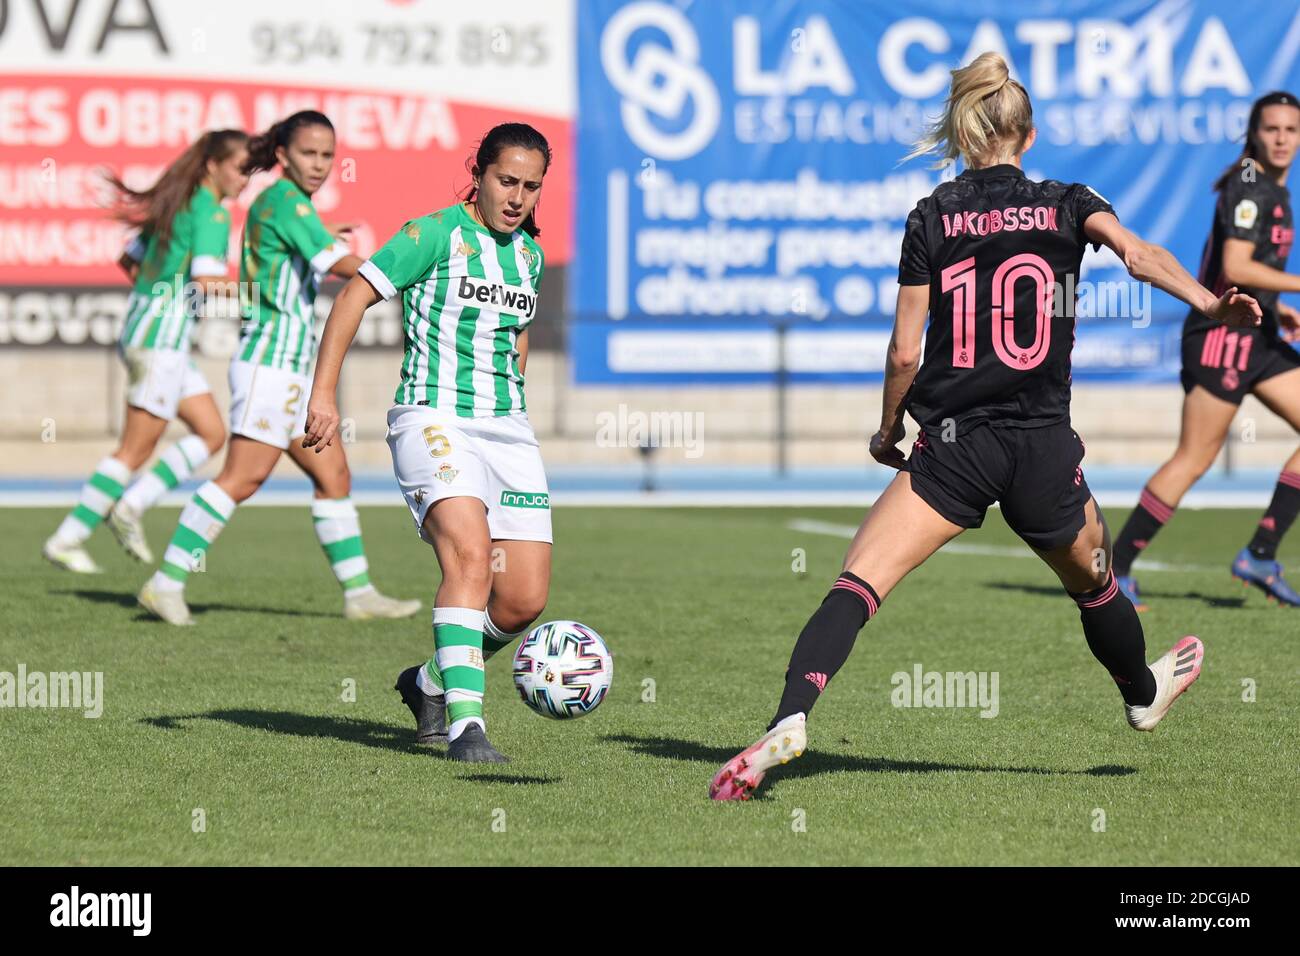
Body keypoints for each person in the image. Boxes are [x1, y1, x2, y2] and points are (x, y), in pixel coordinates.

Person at [709, 53, 1262, 801]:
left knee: (856, 584)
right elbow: (1138, 255)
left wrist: (886, 429)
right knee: (1095, 587)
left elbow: (905, 350)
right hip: (1041, 448)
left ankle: (791, 716)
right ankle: (1140, 690)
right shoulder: (1070, 201)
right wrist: (1209, 303)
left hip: (955, 447)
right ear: (1027, 136)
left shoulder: (932, 214)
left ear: (968, 138)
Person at [303, 123, 553, 763]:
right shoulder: (433, 234)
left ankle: (429, 682)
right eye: (506, 181)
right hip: (432, 418)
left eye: (530, 186)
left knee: (523, 598)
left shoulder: (528, 254)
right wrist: (323, 394)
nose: (517, 196)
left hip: (507, 430)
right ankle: (468, 727)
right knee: (469, 558)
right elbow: (355, 293)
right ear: (479, 173)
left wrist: (514, 391)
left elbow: (517, 331)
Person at [137, 111, 420, 626]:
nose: (319, 164)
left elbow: (301, 247)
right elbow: (337, 263)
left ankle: (359, 595)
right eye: (309, 154)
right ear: (285, 155)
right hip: (269, 365)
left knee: (333, 475)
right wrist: (410, 272)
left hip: (291, 371)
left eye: (328, 155)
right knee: (242, 478)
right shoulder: (284, 198)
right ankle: (166, 581)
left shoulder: (291, 206)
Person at [1113, 92, 1300, 609]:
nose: (1282, 139)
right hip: (1221, 338)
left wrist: (1277, 304)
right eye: (1273, 129)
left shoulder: (1274, 191)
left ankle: (1260, 553)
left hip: (1256, 337)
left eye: (1291, 130)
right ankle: (1117, 570)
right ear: (1254, 134)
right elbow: (1236, 267)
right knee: (1195, 458)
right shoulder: (1248, 184)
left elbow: (1248, 269)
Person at [43, 130, 247, 573]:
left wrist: (158, 296)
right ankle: (69, 537)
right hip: (160, 343)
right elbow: (208, 283)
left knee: (211, 433)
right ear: (214, 166)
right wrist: (261, 299)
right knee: (134, 450)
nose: (245, 177)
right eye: (239, 167)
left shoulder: (176, 201)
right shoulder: (210, 213)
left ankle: (132, 505)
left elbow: (130, 260)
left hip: (153, 334)